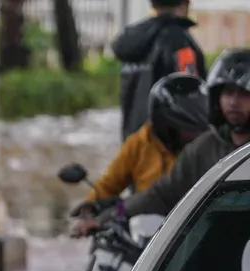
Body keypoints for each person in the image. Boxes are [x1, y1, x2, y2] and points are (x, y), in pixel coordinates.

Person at [81, 49, 250, 232]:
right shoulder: (202, 149)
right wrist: (110, 215)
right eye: (228, 93)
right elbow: (159, 195)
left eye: (243, 94)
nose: (233, 102)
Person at [69, 72, 208, 237]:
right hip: (145, 224)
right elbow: (115, 188)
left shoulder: (207, 146)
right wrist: (92, 207)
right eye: (188, 130)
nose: (195, 136)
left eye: (200, 129)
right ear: (167, 125)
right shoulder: (138, 144)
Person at [113, 0, 206, 140]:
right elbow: (191, 94)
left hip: (133, 141)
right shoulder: (180, 42)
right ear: (186, 3)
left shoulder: (133, 40)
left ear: (152, 4)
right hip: (167, 145)